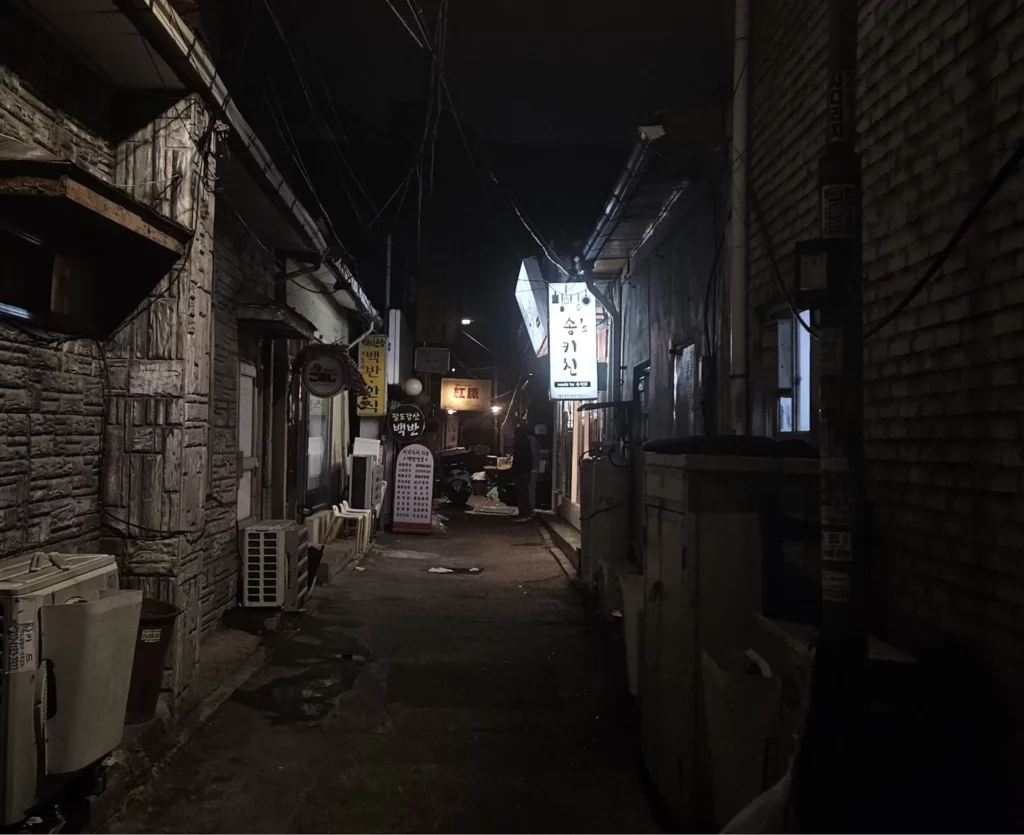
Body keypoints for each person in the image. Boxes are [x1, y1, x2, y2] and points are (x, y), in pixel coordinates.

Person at [511, 425, 534, 520]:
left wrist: (513, 470)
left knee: (521, 493)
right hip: (526, 471)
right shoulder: (527, 442)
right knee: (524, 493)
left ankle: (523, 513)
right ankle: (526, 512)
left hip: (520, 471)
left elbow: (517, 459)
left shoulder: (519, 444)